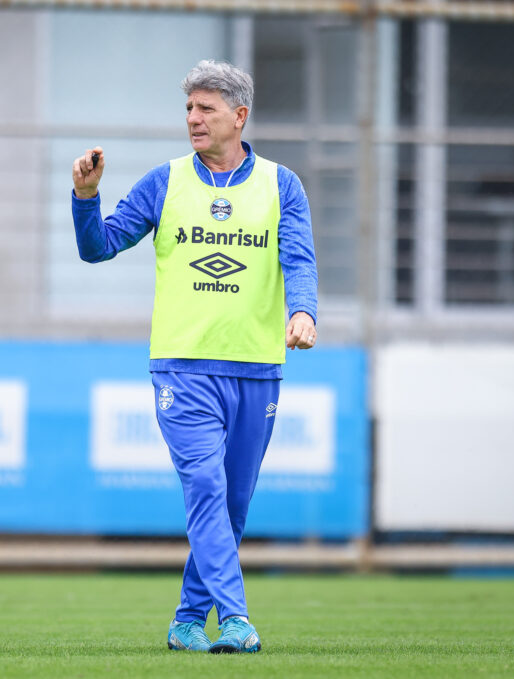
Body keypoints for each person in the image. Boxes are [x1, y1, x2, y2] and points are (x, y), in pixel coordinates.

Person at [71, 60, 318, 653]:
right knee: (205, 487)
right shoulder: (165, 181)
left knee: (231, 506)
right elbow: (98, 247)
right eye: (188, 109)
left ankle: (187, 621)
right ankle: (234, 619)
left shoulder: (282, 185)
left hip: (257, 368)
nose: (193, 119)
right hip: (181, 368)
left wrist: (303, 311)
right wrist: (85, 197)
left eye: (205, 109)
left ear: (240, 115)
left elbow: (299, 261)